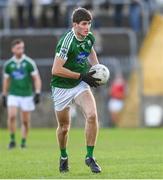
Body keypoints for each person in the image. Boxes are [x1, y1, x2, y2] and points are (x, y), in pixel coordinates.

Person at [51, 7, 101, 173]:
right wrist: (82, 75)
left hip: (80, 84)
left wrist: (97, 69)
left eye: (89, 24)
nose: (88, 27)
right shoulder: (67, 41)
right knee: (64, 128)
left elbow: (90, 50)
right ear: (75, 25)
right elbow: (56, 69)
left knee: (92, 115)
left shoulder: (89, 37)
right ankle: (64, 156)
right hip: (61, 87)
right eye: (84, 24)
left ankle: (90, 157)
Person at [2, 39, 42, 149]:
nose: (21, 50)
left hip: (27, 94)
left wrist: (37, 92)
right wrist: (4, 95)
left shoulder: (29, 63)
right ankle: (12, 140)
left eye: (22, 48)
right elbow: (6, 80)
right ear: (13, 49)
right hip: (13, 94)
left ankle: (23, 142)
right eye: (18, 48)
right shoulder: (9, 64)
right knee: (12, 116)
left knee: (25, 121)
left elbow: (36, 78)